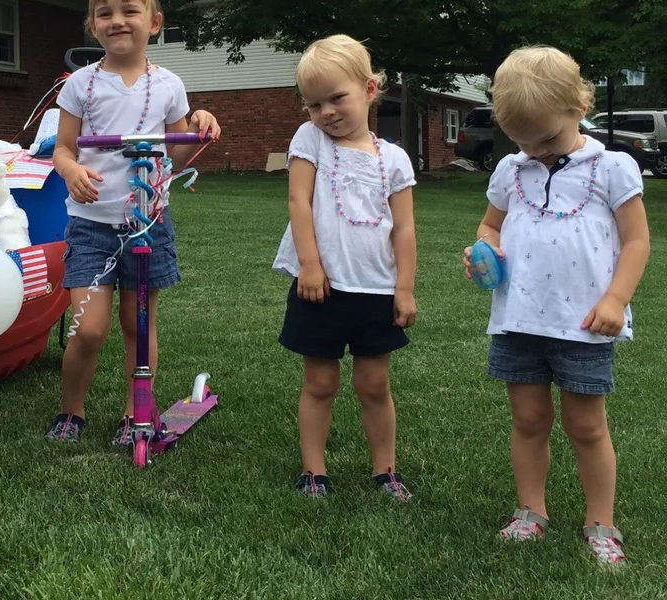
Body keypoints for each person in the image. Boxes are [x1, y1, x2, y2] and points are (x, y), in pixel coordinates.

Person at [462, 45, 649, 566]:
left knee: (587, 426)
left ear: (580, 105)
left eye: (545, 138)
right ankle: (531, 510)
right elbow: (491, 224)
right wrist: (483, 250)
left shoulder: (612, 167)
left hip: (584, 323)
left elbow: (637, 241)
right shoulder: (512, 169)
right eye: (521, 140)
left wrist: (616, 299)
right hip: (518, 319)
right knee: (527, 419)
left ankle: (601, 522)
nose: (535, 151)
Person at [45, 0, 221, 445]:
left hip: (148, 223)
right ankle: (71, 410)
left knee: (137, 325)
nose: (117, 20)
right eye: (105, 13)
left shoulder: (168, 85)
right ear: (93, 25)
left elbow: (176, 154)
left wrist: (198, 125)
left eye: (129, 11)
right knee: (88, 329)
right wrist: (71, 170)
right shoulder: (80, 84)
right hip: (91, 226)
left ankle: (134, 414)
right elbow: (64, 148)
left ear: (154, 22)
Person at [272, 35, 418, 500]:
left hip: (376, 290)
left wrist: (404, 288)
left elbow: (404, 229)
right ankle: (314, 471)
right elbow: (298, 201)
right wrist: (310, 265)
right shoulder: (310, 139)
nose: (326, 112)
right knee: (319, 382)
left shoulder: (394, 159)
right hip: (321, 287)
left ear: (370, 89)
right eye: (314, 104)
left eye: (337, 98)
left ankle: (385, 471)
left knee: (375, 384)